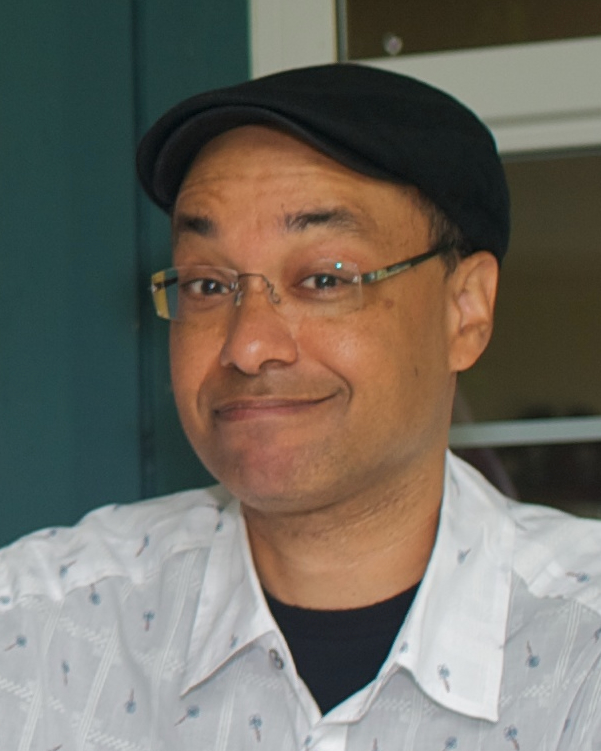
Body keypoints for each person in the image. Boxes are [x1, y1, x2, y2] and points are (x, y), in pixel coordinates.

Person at [1, 63, 601, 750]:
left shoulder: (578, 647)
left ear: (464, 310)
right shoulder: (37, 634)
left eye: (323, 278)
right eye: (205, 283)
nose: (248, 344)